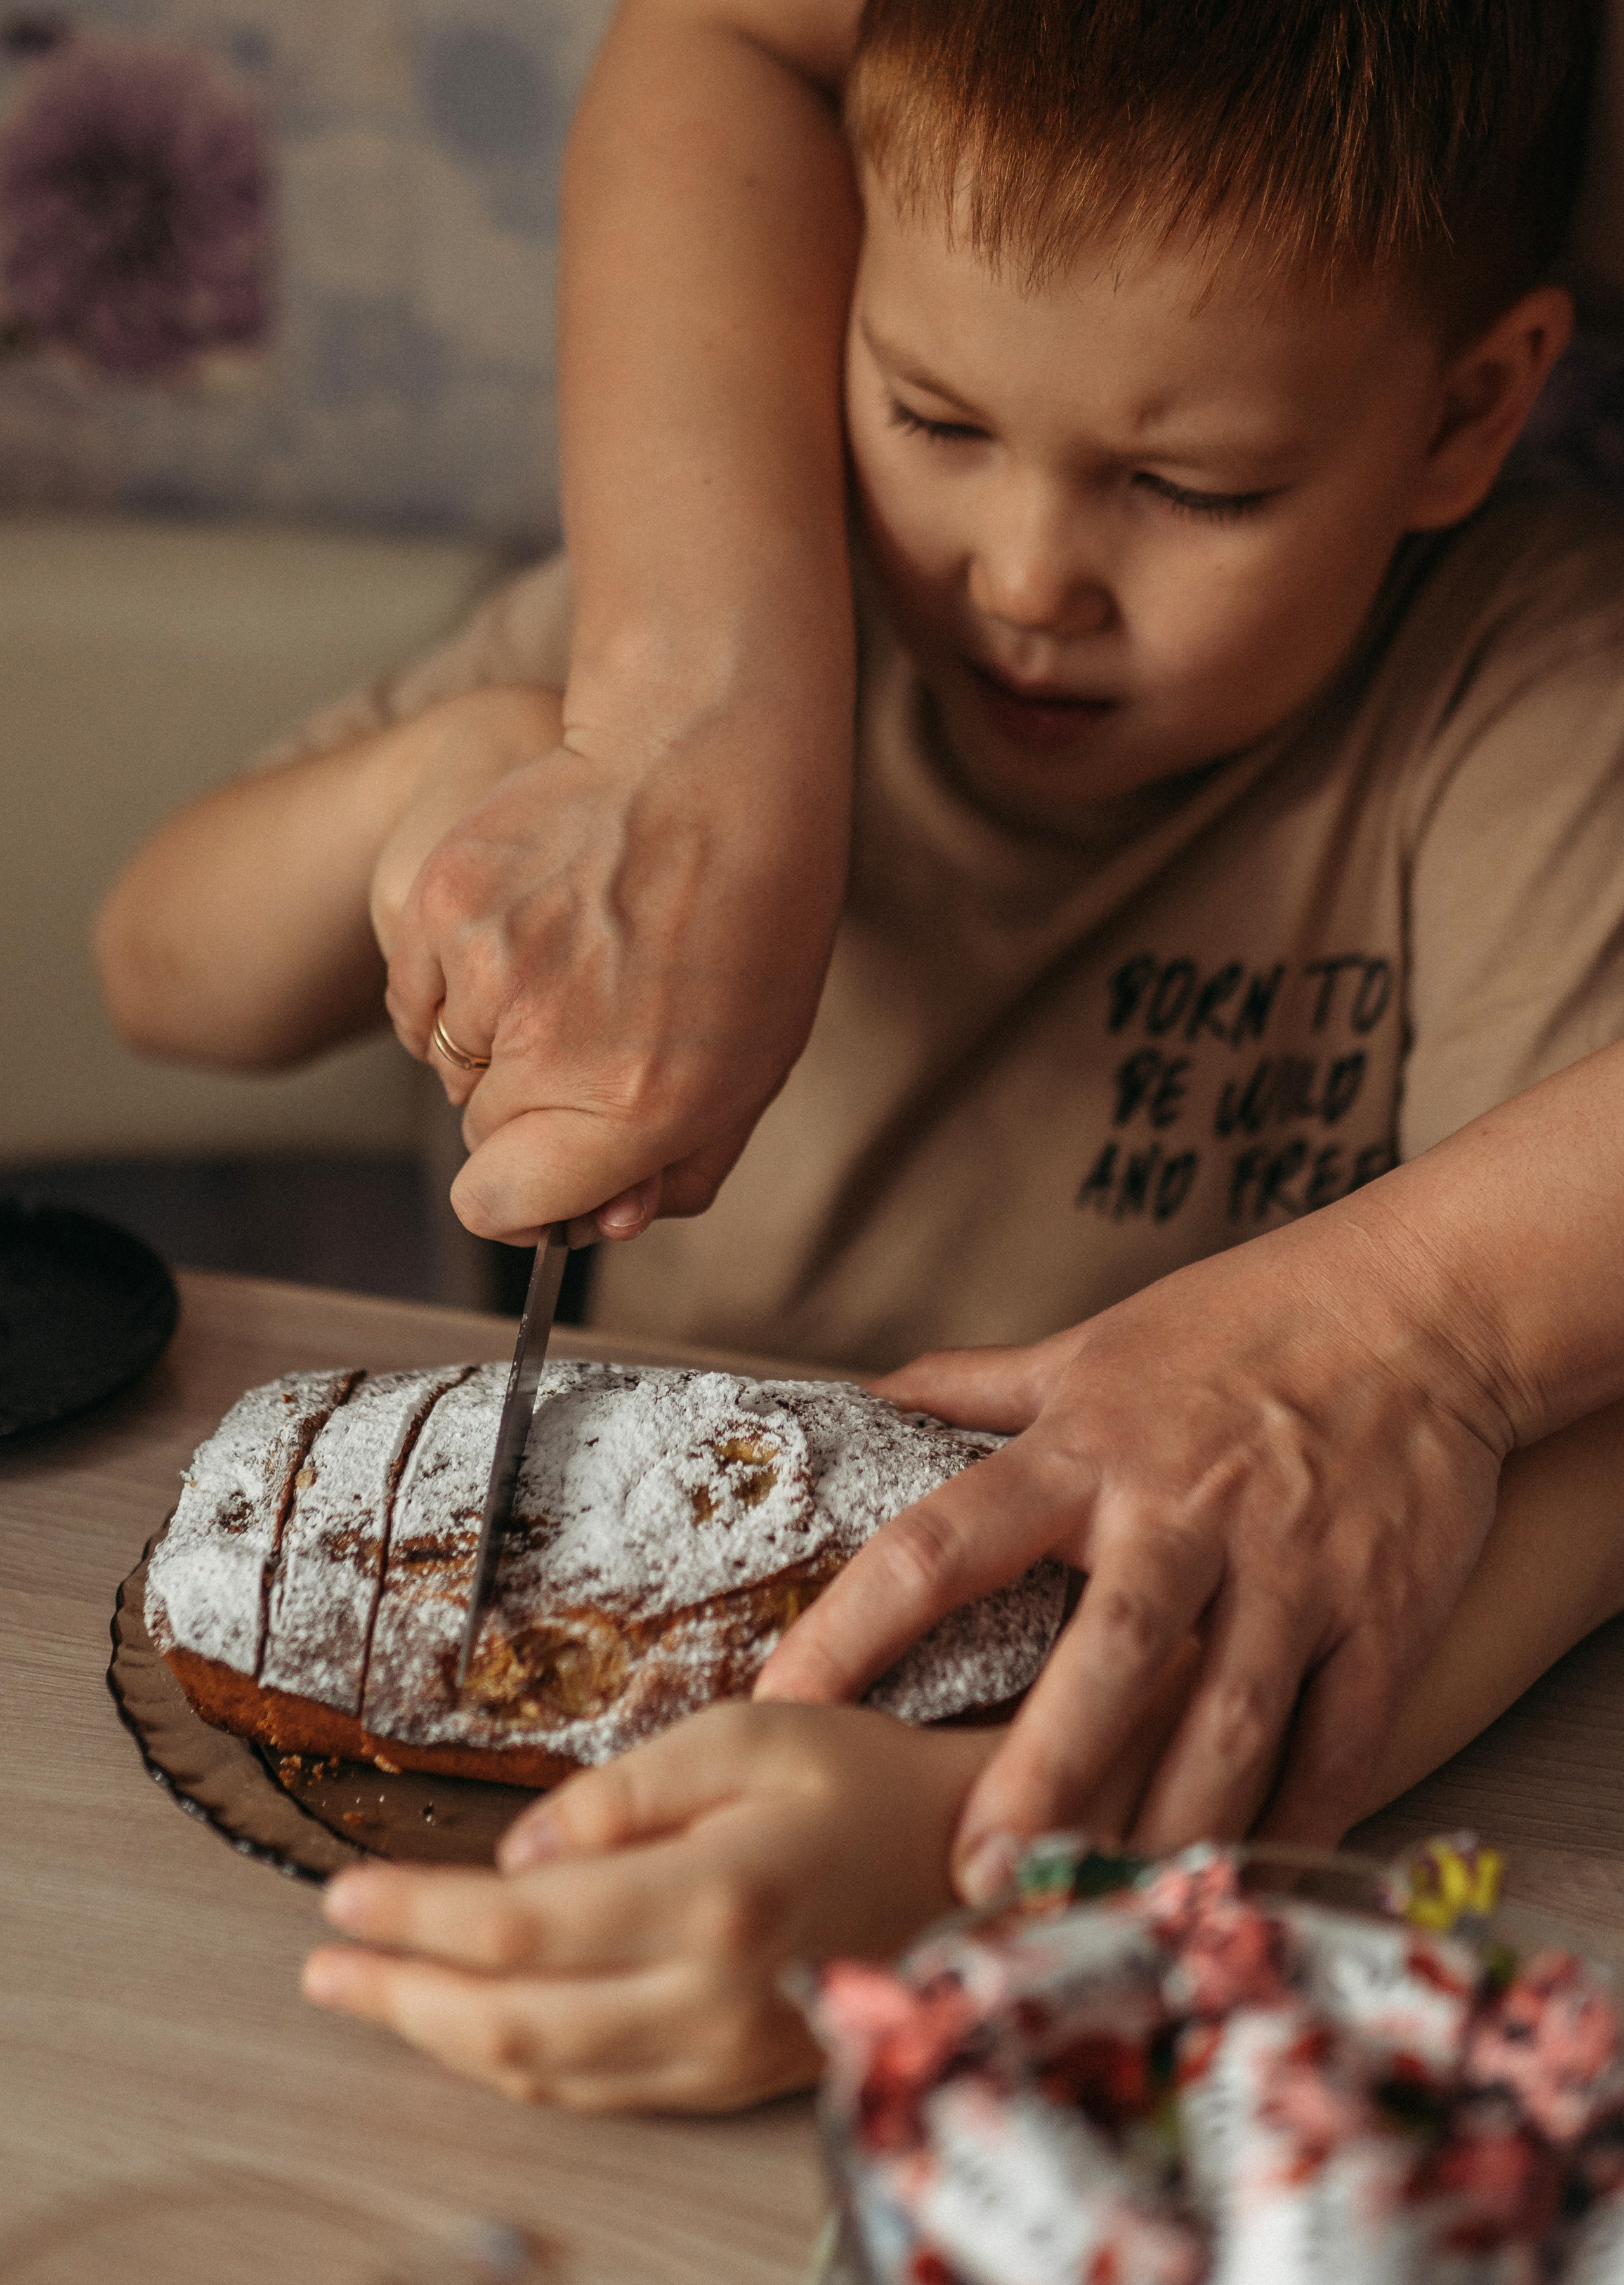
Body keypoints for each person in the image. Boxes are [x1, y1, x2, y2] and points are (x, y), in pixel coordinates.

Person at [95, 0, 1624, 2106]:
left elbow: (1564, 1445)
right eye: (934, 417)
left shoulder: (1519, 702)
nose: (1025, 576)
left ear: (1468, 413)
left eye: (1195, 486)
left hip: (1077, 1785)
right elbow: (157, 970)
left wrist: (1011, 1833)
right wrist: (432, 790)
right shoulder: (754, 588)